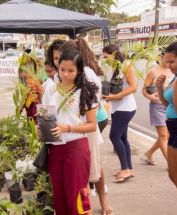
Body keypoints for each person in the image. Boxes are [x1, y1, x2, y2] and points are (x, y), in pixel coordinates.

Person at [41, 48, 99, 215]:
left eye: (71, 70)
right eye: (62, 69)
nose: (65, 74)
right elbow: (45, 118)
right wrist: (41, 129)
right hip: (55, 148)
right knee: (59, 197)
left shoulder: (85, 92)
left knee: (77, 197)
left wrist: (68, 128)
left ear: (79, 71)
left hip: (76, 148)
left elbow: (92, 125)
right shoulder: (50, 90)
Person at [60, 39, 112, 215]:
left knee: (88, 173)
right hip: (74, 131)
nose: (64, 71)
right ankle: (87, 206)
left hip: (85, 129)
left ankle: (89, 208)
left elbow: (92, 112)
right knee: (87, 173)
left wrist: (72, 126)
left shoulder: (87, 76)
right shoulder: (66, 75)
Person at [102, 44, 137, 183]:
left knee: (114, 136)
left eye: (106, 57)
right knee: (122, 138)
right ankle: (129, 168)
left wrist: (115, 97)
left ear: (114, 54)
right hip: (116, 108)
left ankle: (125, 170)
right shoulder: (111, 69)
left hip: (126, 108)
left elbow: (134, 87)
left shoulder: (125, 67)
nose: (104, 59)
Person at [156, 42, 177, 193]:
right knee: (173, 175)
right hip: (173, 127)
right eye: (167, 62)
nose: (169, 66)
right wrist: (160, 88)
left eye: (172, 62)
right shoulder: (174, 78)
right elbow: (167, 104)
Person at [141, 58, 173, 164]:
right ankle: (172, 164)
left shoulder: (173, 70)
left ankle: (149, 153)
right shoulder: (153, 72)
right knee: (164, 136)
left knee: (167, 135)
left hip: (171, 106)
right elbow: (144, 90)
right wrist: (150, 97)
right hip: (157, 107)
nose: (168, 60)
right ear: (160, 57)